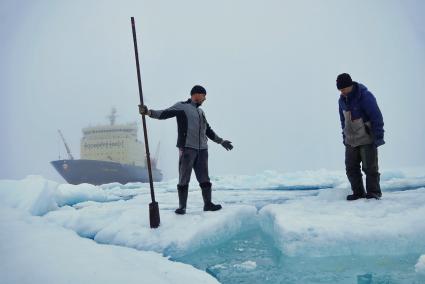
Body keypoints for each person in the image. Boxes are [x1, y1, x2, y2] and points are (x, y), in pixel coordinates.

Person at [139, 85, 233, 214]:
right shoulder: (182, 106)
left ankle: (208, 204)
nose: (205, 99)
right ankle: (182, 207)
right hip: (187, 149)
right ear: (197, 94)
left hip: (202, 150)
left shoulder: (201, 112)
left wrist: (221, 141)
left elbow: (208, 130)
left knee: (204, 178)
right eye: (204, 96)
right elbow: (164, 113)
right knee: (184, 177)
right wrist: (148, 112)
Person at [337, 73, 385, 200]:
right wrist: (344, 137)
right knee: (351, 168)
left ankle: (373, 193)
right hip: (350, 140)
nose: (341, 92)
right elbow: (343, 121)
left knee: (370, 168)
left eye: (343, 89)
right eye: (339, 89)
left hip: (366, 138)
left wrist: (378, 137)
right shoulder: (341, 100)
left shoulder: (365, 96)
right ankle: (358, 193)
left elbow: (376, 117)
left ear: (350, 85)